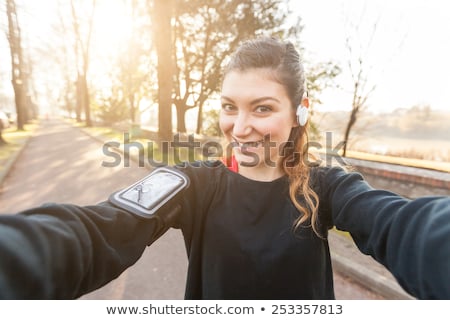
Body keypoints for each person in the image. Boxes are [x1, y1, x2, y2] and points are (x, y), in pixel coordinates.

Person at [1, 37, 450, 300]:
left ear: (300, 112)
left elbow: (401, 224)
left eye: (263, 108)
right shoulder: (191, 184)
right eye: (230, 107)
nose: (241, 126)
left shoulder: (327, 187)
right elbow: (98, 230)